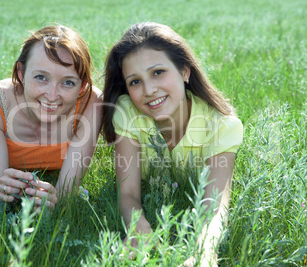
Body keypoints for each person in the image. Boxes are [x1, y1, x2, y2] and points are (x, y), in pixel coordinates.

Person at [102, 22, 243, 266]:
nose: (149, 90)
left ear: (185, 71)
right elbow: (129, 193)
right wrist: (138, 228)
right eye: (135, 81)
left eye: (158, 72)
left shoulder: (222, 125)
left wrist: (204, 253)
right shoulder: (127, 112)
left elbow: (215, 207)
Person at [0, 25, 102, 212]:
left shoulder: (91, 103)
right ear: (21, 73)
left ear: (82, 86)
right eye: (41, 77)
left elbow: (66, 194)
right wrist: (2, 192)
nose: (52, 95)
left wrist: (55, 202)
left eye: (68, 82)